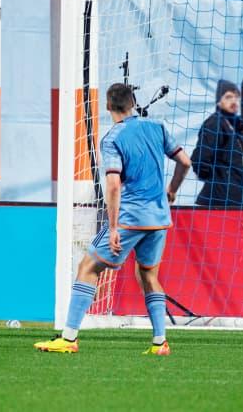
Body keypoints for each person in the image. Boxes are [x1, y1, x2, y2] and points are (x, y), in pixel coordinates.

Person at [34, 83, 191, 355]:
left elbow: (114, 185)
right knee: (149, 276)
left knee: (87, 267)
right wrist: (172, 190)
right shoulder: (157, 128)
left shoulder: (112, 139)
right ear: (132, 103)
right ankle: (159, 342)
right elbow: (185, 162)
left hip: (130, 218)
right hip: (159, 218)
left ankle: (69, 339)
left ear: (108, 106)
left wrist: (114, 227)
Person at [192, 79, 243, 206]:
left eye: (236, 97)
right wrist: (219, 179)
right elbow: (199, 159)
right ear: (219, 100)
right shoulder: (215, 123)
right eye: (228, 97)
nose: (234, 101)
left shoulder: (234, 127)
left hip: (234, 197)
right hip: (220, 199)